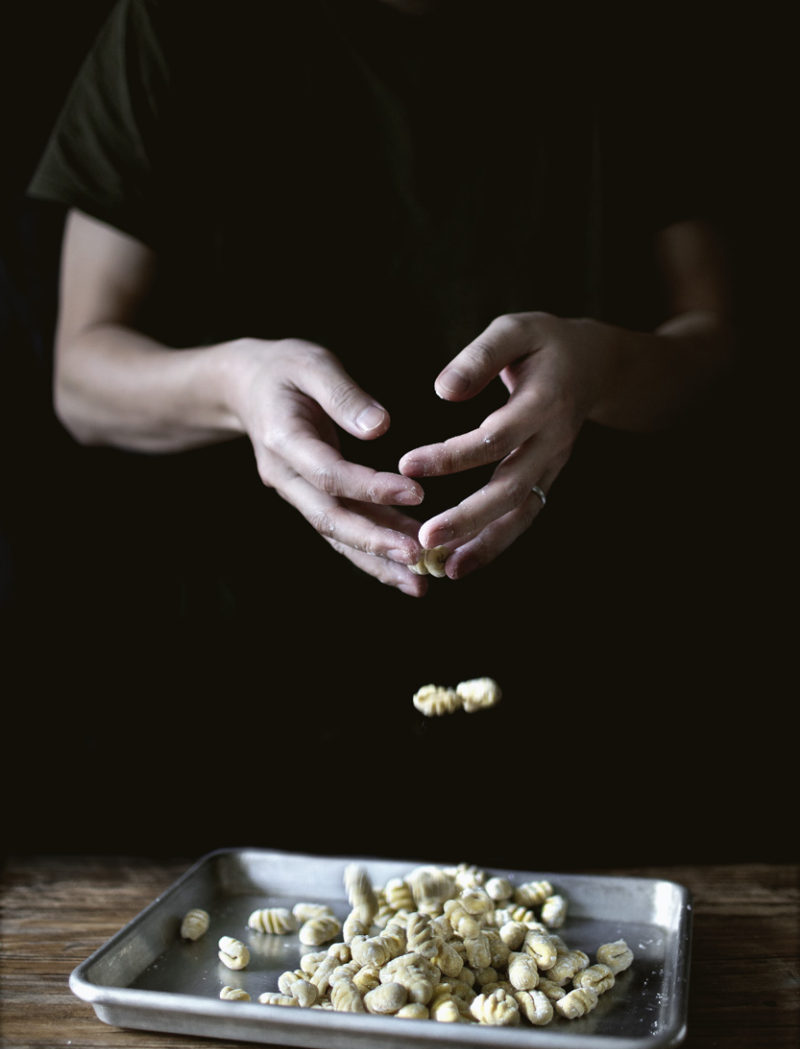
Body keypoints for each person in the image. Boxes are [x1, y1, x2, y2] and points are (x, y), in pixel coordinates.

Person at [14, 0, 746, 860]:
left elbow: (719, 349)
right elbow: (83, 374)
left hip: (594, 666)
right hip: (245, 676)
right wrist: (235, 386)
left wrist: (598, 371)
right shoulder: (175, 25)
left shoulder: (630, 28)